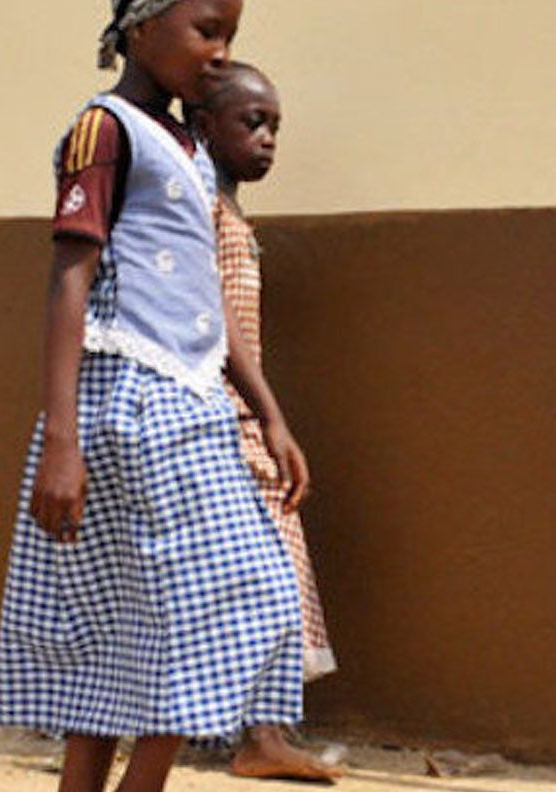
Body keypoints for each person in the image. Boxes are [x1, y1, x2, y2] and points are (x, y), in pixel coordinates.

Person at [0, 0, 311, 792]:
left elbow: (207, 297)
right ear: (142, 28)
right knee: (157, 621)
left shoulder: (191, 149)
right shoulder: (106, 129)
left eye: (230, 36)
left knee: (194, 615)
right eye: (207, 30)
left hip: (193, 406)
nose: (220, 54)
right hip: (124, 408)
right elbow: (71, 275)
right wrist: (62, 440)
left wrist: (269, 412)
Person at [192, 62, 343, 784]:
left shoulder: (228, 210)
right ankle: (261, 735)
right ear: (202, 127)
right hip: (222, 419)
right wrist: (268, 417)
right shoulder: (199, 208)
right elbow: (215, 329)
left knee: (264, 569)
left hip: (243, 416)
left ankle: (260, 730)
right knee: (266, 569)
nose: (267, 139)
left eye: (274, 126)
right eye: (251, 123)